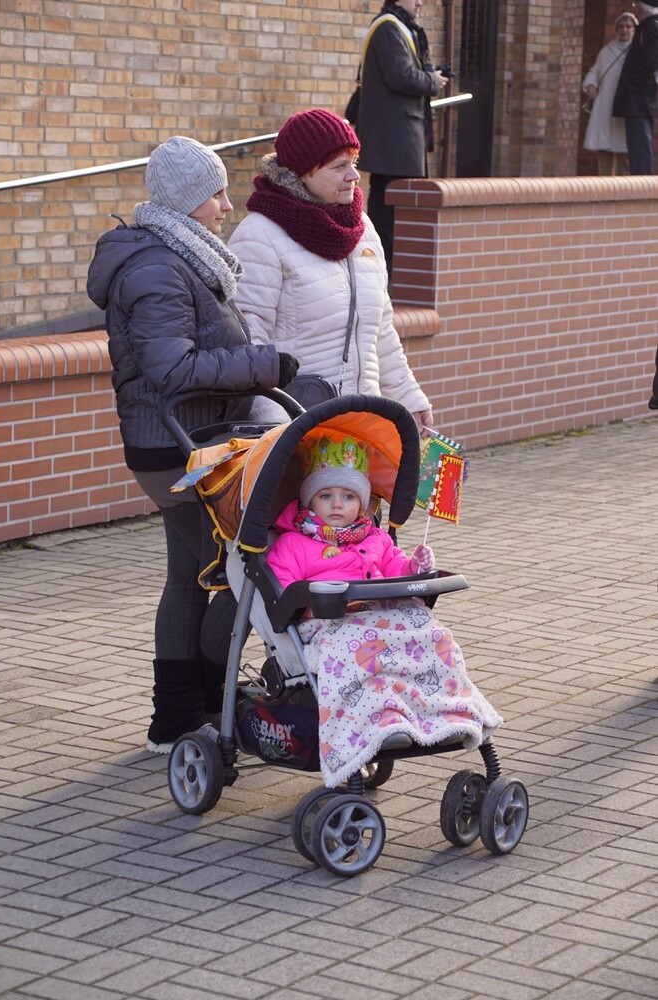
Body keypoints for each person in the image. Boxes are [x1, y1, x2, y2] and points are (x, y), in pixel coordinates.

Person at [87, 135, 300, 754]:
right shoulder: (156, 268)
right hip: (178, 449)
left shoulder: (178, 255)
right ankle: (206, 706)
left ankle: (179, 718)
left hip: (187, 444)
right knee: (240, 575)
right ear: (185, 200)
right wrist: (264, 365)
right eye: (217, 194)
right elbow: (171, 369)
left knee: (188, 576)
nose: (228, 207)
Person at [266, 434, 502, 787]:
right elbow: (283, 590)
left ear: (362, 504)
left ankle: (451, 712)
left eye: (348, 497)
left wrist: (416, 567)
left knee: (434, 634)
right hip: (331, 621)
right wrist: (309, 604)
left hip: (386, 615)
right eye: (326, 495)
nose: (337, 504)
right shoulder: (292, 544)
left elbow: (397, 568)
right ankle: (379, 722)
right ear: (308, 499)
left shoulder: (375, 538)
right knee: (363, 654)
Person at [227, 107, 434, 434]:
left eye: (354, 162)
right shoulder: (259, 236)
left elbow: (380, 330)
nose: (354, 175)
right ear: (302, 173)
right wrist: (279, 432)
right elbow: (248, 350)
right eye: (339, 166)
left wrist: (409, 399)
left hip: (362, 422)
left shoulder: (363, 229)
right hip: (297, 426)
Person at [354, 0, 447, 275]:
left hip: (396, 136)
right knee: (390, 204)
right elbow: (401, 76)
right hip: (394, 136)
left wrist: (430, 75)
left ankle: (387, 266)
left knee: (393, 201)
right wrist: (433, 80)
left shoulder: (396, 26)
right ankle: (384, 268)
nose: (420, 2)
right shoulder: (389, 27)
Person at [583, 12, 638, 175]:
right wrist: (590, 85)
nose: (624, 30)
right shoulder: (606, 51)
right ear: (616, 30)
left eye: (628, 26)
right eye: (621, 26)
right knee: (604, 158)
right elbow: (595, 71)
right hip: (605, 106)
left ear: (634, 29)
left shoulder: (638, 51)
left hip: (625, 109)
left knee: (624, 160)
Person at [613, 1, 658, 174]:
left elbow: (651, 60)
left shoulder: (650, 27)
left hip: (639, 99)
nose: (635, 8)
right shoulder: (648, 27)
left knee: (639, 150)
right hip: (639, 98)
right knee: (636, 148)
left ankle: (643, 186)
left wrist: (631, 86)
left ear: (643, 7)